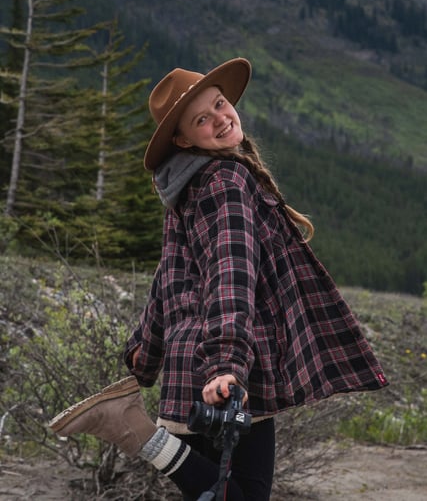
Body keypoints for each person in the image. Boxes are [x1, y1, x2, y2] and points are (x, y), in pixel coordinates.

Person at [50, 57, 388, 500]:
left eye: (221, 104)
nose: (221, 119)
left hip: (192, 368)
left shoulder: (189, 187)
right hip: (221, 373)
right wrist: (227, 365)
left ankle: (134, 428)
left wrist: (145, 355)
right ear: (182, 138)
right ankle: (132, 428)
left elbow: (170, 282)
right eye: (202, 119)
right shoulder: (225, 180)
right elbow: (232, 274)